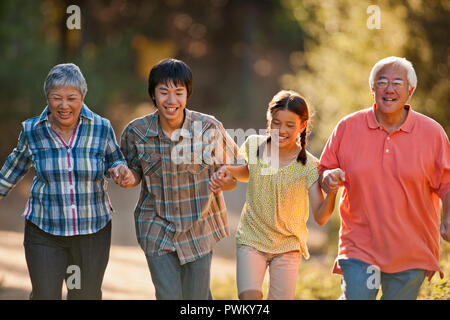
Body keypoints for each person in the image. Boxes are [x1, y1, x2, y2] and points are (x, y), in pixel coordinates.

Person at [319, 56, 450, 300]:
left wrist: (449, 216)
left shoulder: (432, 133)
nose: (389, 89)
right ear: (372, 89)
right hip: (360, 246)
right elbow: (324, 170)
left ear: (410, 91)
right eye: (382, 82)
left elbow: (447, 182)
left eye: (397, 83)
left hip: (412, 249)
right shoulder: (348, 127)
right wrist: (328, 178)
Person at [0, 63, 129, 299]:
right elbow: (14, 166)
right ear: (47, 98)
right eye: (56, 97)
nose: (64, 105)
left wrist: (120, 170)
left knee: (85, 295)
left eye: (72, 98)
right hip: (45, 228)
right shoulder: (32, 130)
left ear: (82, 97)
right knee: (45, 294)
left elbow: (115, 160)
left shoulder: (101, 128)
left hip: (92, 229)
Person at [117, 58, 239, 300]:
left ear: (187, 94)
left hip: (199, 227)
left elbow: (233, 176)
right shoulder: (136, 132)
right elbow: (134, 175)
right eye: (163, 92)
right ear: (153, 94)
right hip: (155, 226)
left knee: (197, 297)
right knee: (169, 295)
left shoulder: (209, 128)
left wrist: (225, 180)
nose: (171, 100)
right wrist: (126, 177)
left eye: (178, 92)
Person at [209, 90, 338, 300]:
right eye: (276, 123)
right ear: (269, 120)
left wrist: (332, 193)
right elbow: (248, 172)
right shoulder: (254, 145)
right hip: (252, 238)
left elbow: (321, 217)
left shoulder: (308, 166)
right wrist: (229, 170)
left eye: (290, 125)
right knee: (249, 299)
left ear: (302, 126)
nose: (281, 130)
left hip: (287, 246)